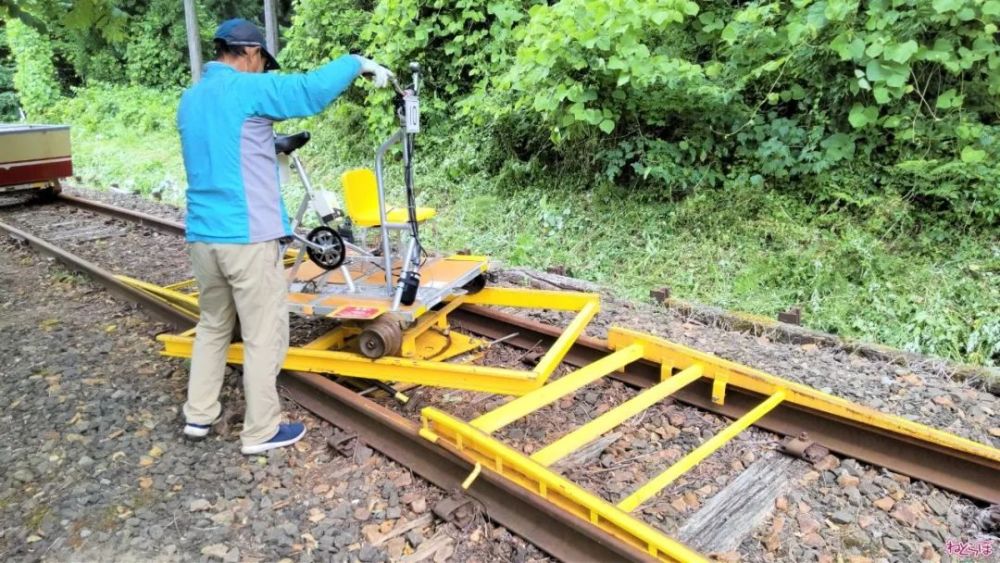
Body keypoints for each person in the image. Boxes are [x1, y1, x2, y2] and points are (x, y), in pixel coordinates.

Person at [176, 18, 393, 455]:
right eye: (263, 62)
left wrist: (265, 146)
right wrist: (358, 62)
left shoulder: (191, 99)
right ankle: (260, 432)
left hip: (203, 235)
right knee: (263, 333)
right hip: (247, 238)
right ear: (251, 53)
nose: (264, 71)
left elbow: (223, 148)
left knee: (214, 324)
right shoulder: (248, 89)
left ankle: (198, 415)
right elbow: (310, 91)